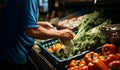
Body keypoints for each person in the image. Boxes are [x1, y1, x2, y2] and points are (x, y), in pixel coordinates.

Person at [0, 0, 74, 70]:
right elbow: (32, 31)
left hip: (5, 50)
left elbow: (19, 19)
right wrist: (60, 34)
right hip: (13, 55)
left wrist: (37, 24)